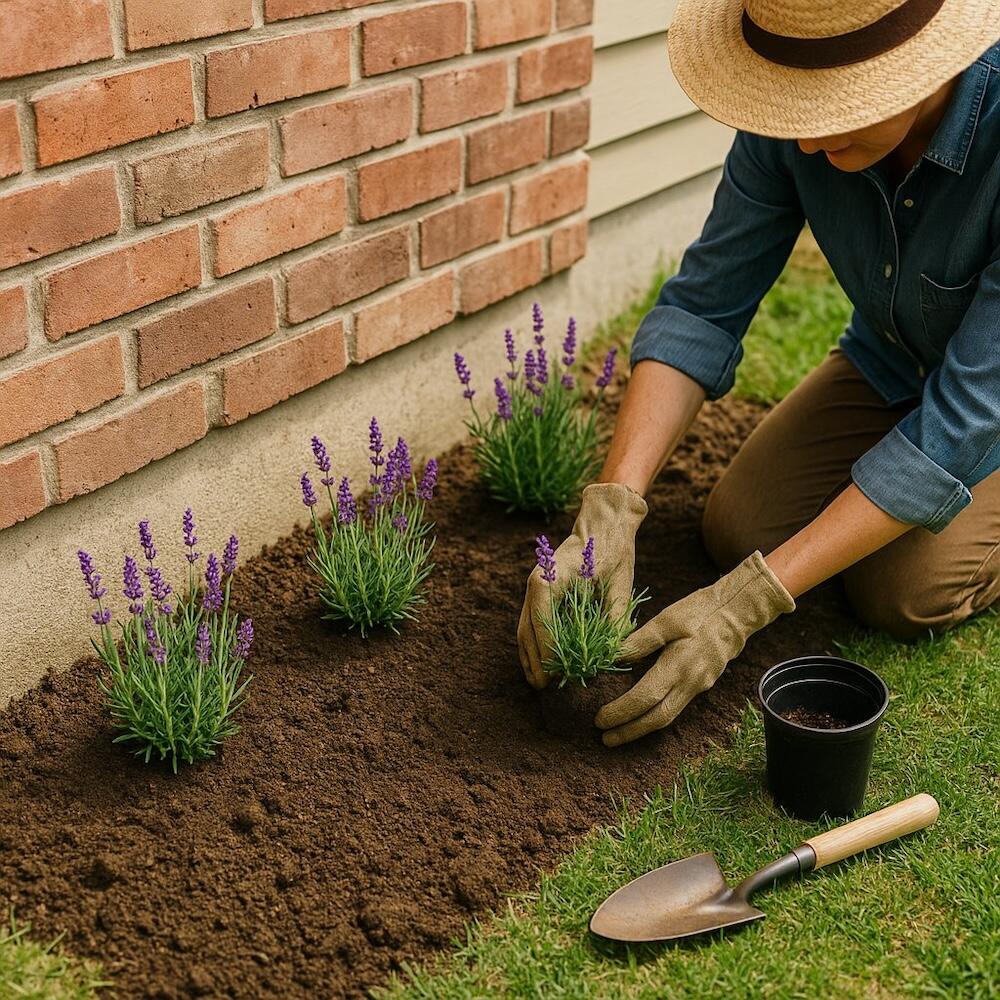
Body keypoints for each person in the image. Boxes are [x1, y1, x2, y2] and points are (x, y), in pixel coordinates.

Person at [517, 0, 1000, 747]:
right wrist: (613, 505)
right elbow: (705, 308)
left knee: (902, 591)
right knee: (737, 526)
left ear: (926, 65)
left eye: (836, 105)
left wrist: (745, 606)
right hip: (894, 361)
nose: (802, 137)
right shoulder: (797, 119)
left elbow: (967, 418)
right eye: (792, 105)